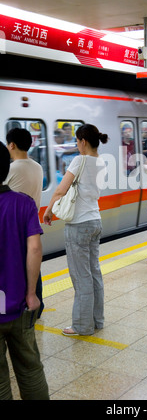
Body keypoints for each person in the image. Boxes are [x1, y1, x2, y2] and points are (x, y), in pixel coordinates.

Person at [43, 124, 108, 336]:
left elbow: (62, 189)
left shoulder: (80, 160)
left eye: (77, 141)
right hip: (95, 220)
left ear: (83, 141)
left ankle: (82, 326)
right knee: (94, 273)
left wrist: (49, 209)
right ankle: (97, 320)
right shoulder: (101, 161)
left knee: (81, 277)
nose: (77, 145)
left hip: (79, 224)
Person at [0, 142, 49, 400]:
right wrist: (32, 293)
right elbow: (34, 249)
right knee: (30, 369)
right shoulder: (24, 204)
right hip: (19, 303)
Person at [4, 128, 44, 317]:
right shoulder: (37, 166)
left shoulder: (12, 169)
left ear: (11, 145)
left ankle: (19, 306)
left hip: (13, 225)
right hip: (31, 223)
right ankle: (37, 305)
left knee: (16, 267)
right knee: (34, 266)